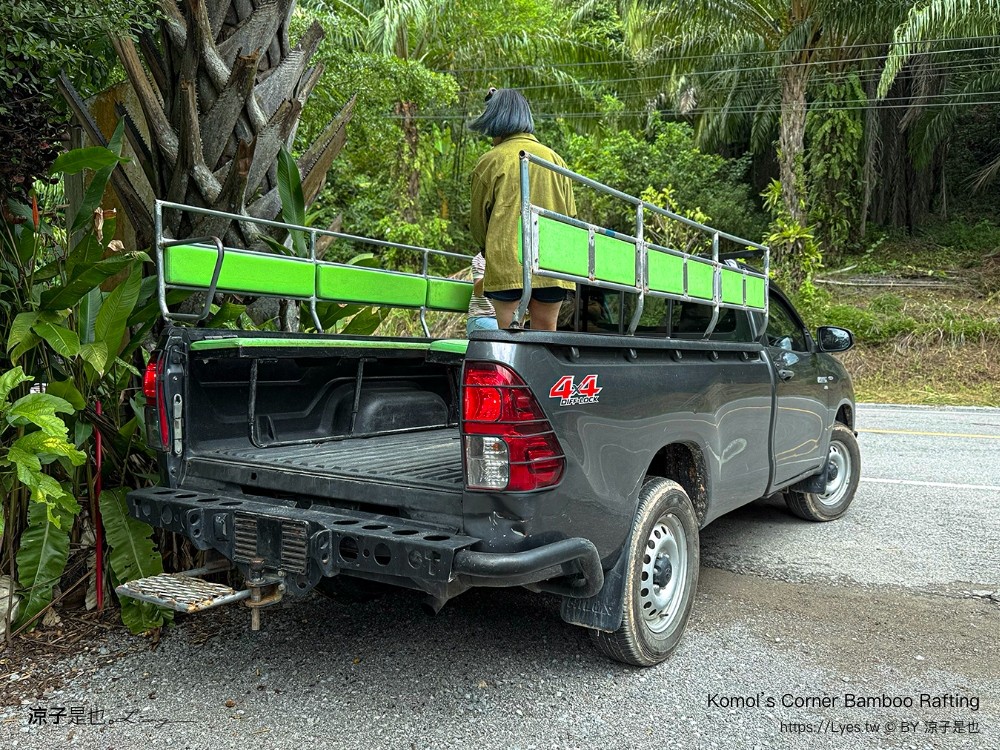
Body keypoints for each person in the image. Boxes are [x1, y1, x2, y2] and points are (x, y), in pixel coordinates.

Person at [469, 87, 576, 330]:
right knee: (544, 337)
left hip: (507, 263)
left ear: (495, 120)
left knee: (509, 342)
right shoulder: (556, 160)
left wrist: (489, 251)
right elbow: (570, 217)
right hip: (552, 264)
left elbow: (478, 224)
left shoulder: (490, 161)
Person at [466, 251, 498, 335]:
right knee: (509, 334)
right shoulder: (481, 258)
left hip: (509, 320)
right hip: (481, 317)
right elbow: (478, 292)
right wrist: (494, 272)